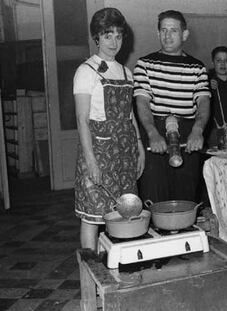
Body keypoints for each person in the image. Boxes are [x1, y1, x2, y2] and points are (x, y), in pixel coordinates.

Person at [73, 8, 145, 251]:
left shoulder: (127, 72)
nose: (114, 42)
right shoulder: (86, 71)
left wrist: (139, 150)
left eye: (118, 35)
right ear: (97, 38)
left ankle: (116, 270)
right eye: (107, 36)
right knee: (93, 215)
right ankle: (90, 275)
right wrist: (91, 161)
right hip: (99, 151)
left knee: (125, 212)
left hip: (124, 152)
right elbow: (82, 119)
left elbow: (130, 115)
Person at [133, 10, 210, 203]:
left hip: (187, 134)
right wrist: (152, 134)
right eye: (163, 30)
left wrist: (198, 131)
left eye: (173, 30)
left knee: (185, 198)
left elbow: (203, 102)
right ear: (158, 33)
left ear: (184, 34)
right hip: (156, 133)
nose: (167, 35)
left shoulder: (197, 68)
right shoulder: (145, 64)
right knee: (155, 199)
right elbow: (142, 103)